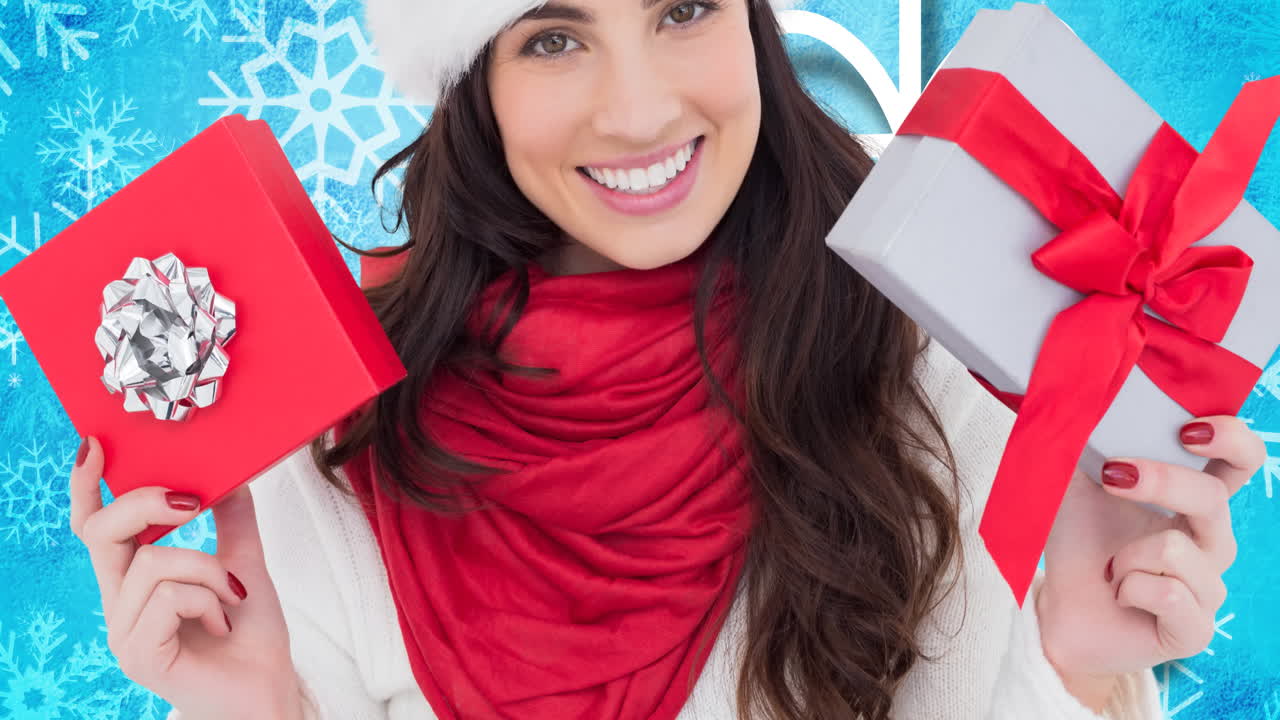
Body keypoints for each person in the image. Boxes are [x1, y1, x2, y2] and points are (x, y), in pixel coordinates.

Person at [67, 1, 1265, 718]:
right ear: (468, 79)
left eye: (683, 7)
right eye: (552, 36)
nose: (638, 113)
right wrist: (264, 709)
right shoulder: (336, 436)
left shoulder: (931, 363)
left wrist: (1066, 664)